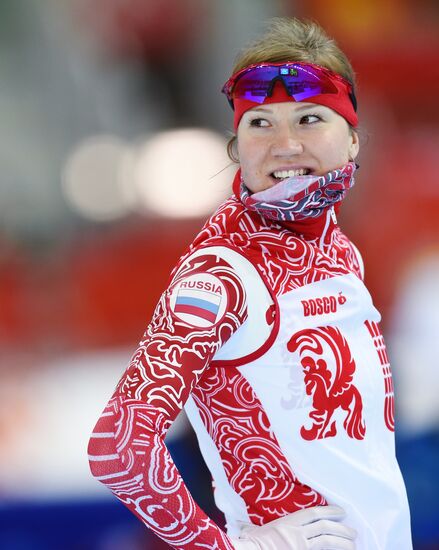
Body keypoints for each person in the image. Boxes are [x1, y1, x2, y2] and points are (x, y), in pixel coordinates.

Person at [88, 17, 412, 549]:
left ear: (352, 140)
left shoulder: (339, 253)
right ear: (237, 146)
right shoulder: (222, 272)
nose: (284, 144)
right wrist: (227, 547)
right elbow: (119, 446)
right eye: (260, 123)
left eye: (309, 119)